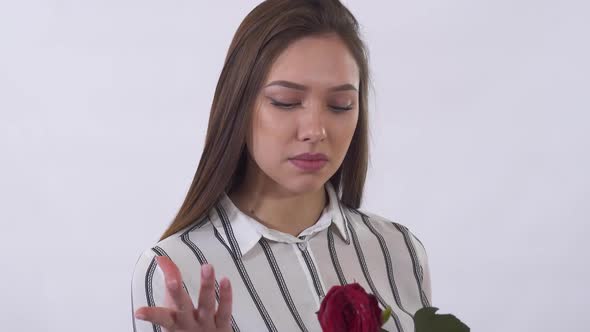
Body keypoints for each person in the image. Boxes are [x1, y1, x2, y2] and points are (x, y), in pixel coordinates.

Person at [131, 0, 432, 331]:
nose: (315, 131)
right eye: (285, 102)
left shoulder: (399, 249)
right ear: (239, 105)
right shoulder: (176, 271)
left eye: (340, 105)